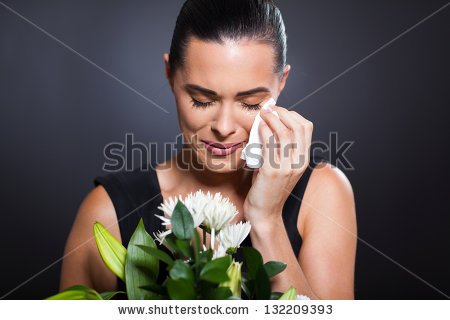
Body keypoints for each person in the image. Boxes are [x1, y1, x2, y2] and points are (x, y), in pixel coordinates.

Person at [59, 0, 356, 300]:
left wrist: (266, 221)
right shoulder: (108, 212)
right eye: (202, 99)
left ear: (281, 83)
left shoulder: (323, 193)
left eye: (250, 103)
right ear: (170, 75)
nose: (224, 127)